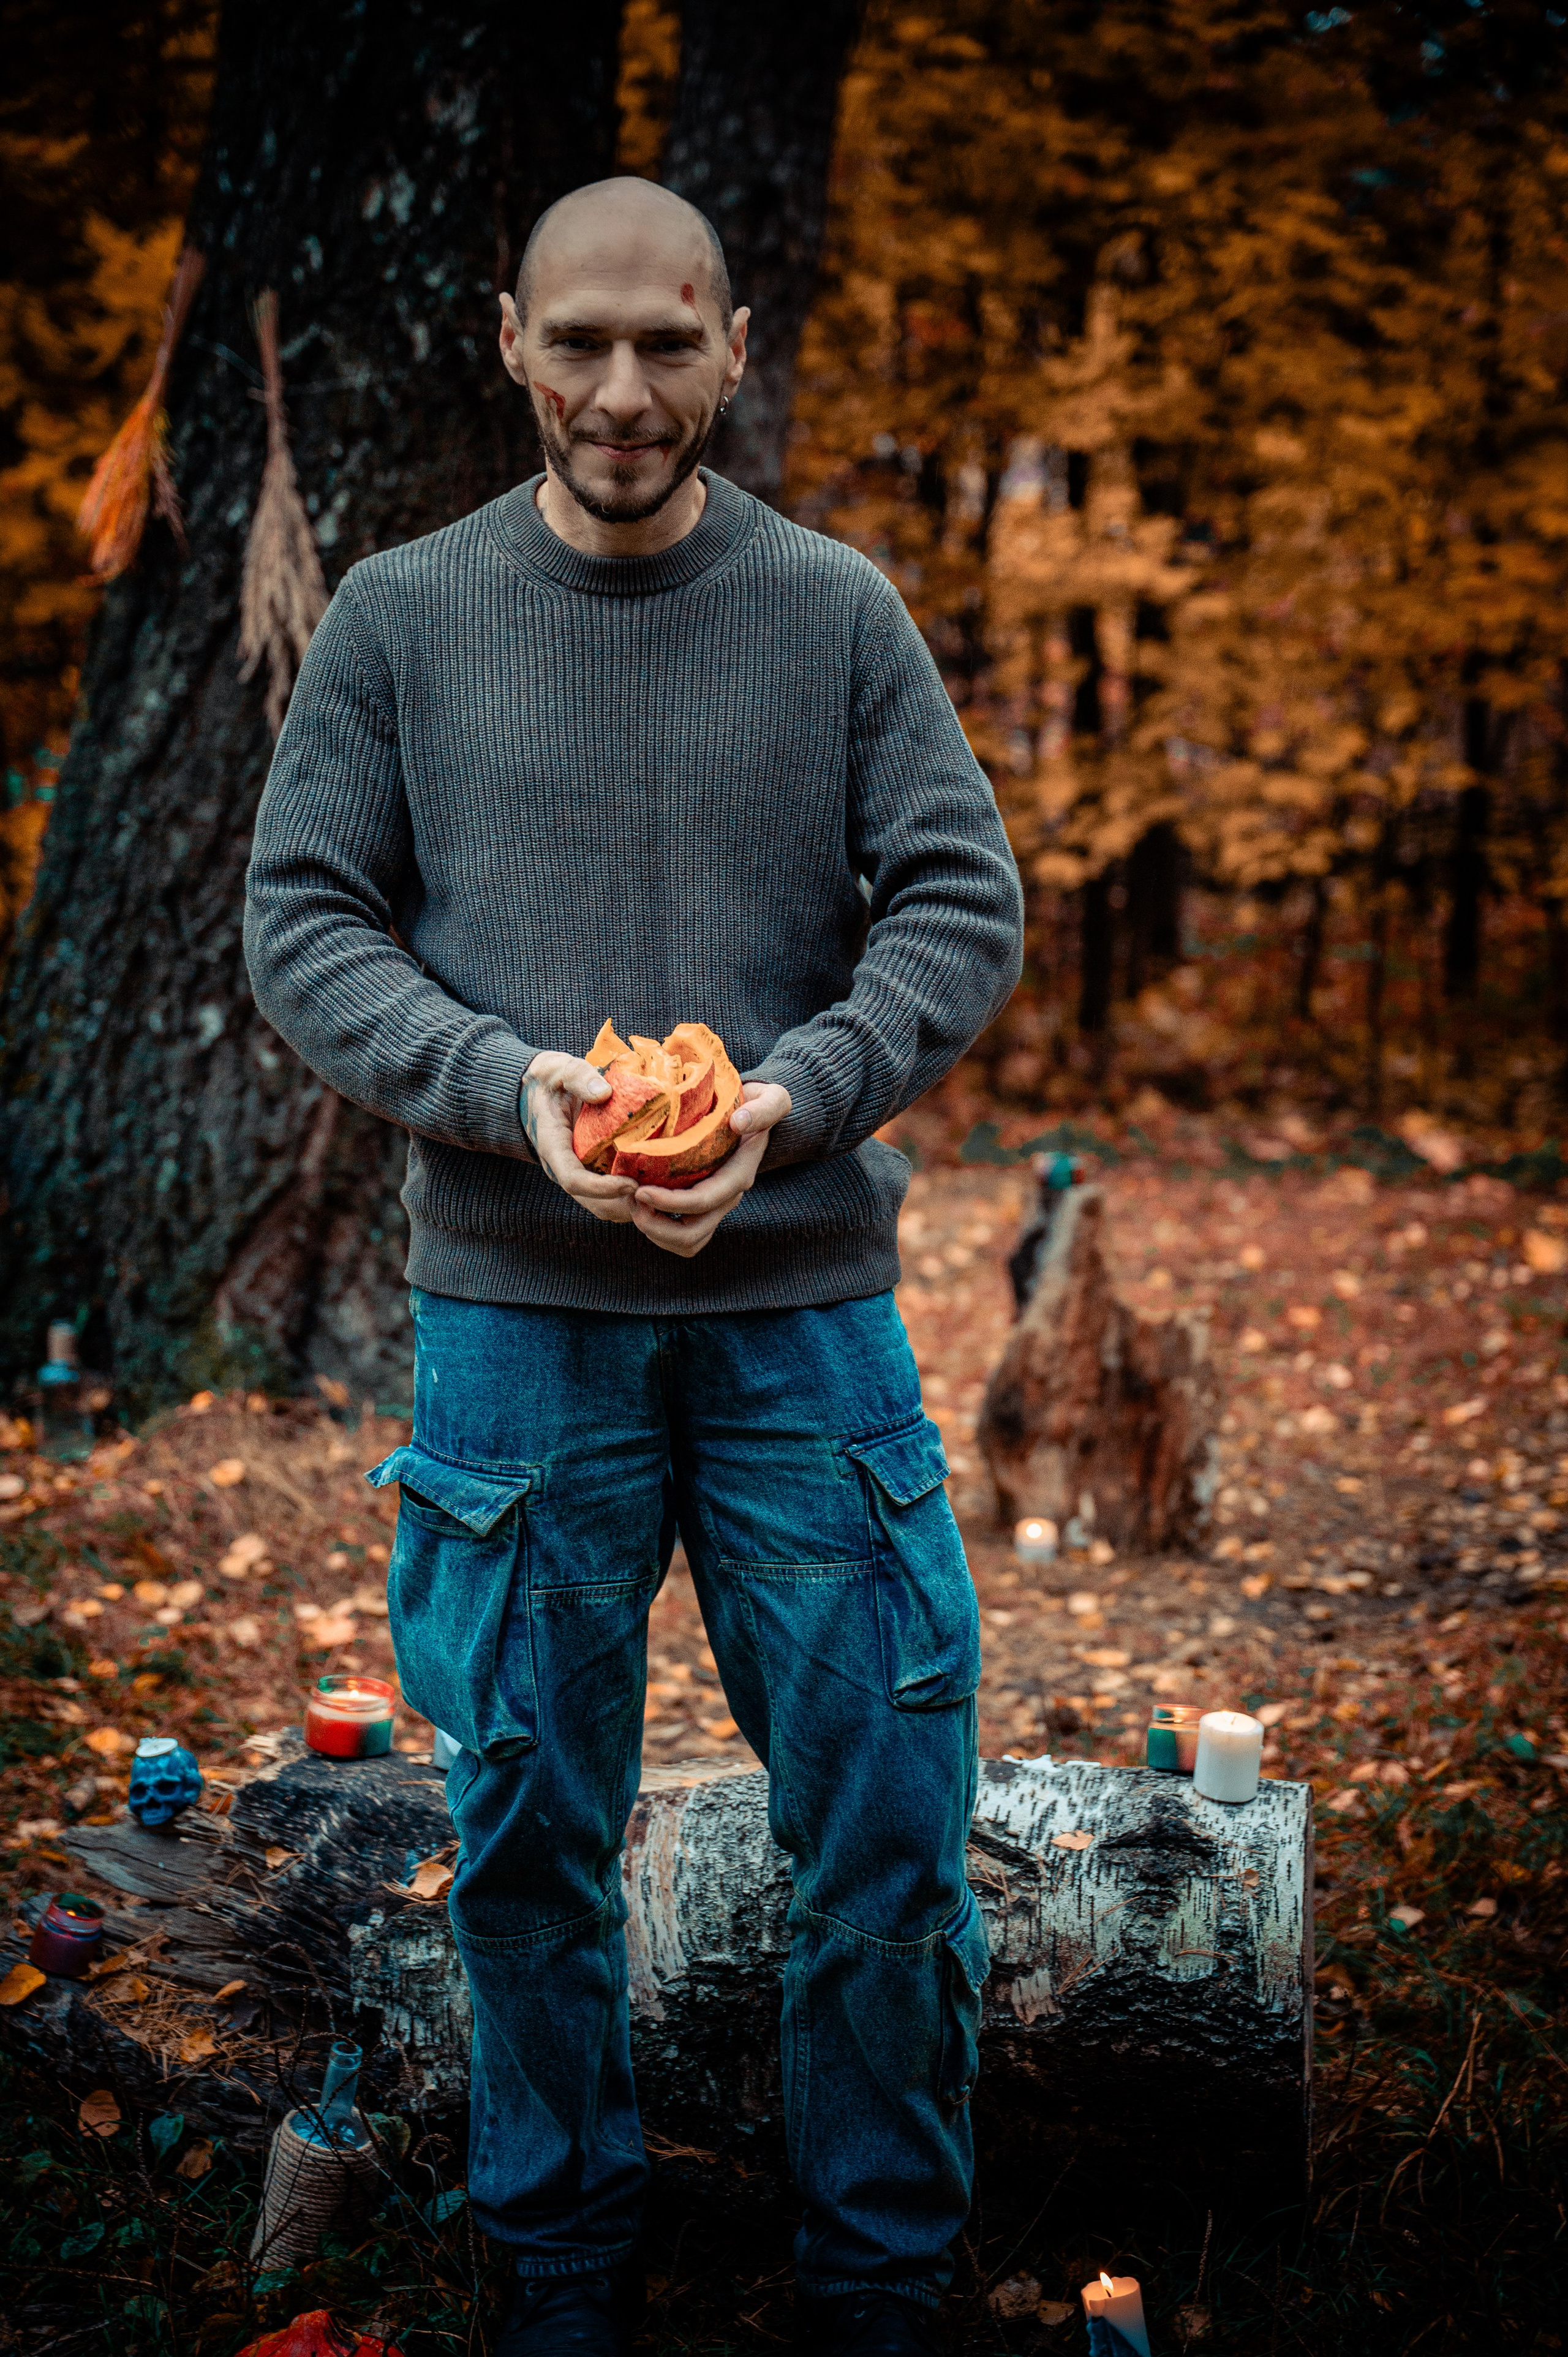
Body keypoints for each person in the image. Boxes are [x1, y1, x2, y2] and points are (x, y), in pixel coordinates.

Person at [244, 176, 1023, 2357]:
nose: (619, 389)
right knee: (526, 1844)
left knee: (887, 1831)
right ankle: (562, 2278)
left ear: (732, 343)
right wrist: (515, 1094)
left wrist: (792, 1096)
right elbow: (302, 918)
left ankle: (881, 2283)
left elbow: (960, 902)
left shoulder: (836, 610)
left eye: (665, 344)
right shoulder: (401, 620)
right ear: (509, 336)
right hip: (517, 1331)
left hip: (800, 1317)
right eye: (578, 341)